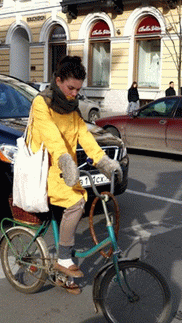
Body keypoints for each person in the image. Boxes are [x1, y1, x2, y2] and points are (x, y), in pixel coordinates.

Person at [27, 56, 122, 295]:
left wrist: (103, 162)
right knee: (76, 203)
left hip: (64, 168)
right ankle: (64, 259)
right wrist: (66, 163)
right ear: (58, 80)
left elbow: (84, 135)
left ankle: (63, 272)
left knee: (77, 201)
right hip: (46, 168)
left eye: (78, 89)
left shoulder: (71, 107)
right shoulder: (42, 103)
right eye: (70, 88)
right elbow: (52, 137)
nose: (74, 94)